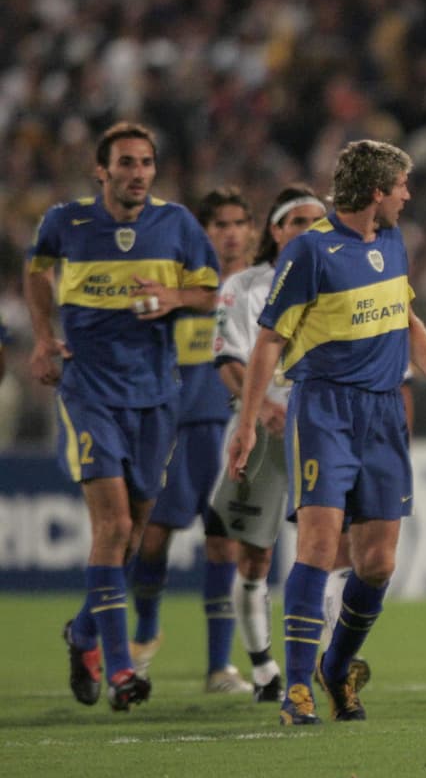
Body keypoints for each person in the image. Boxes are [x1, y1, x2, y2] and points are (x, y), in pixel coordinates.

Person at [227, 140, 426, 725]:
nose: (408, 196)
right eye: (402, 186)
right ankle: (297, 688)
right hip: (325, 411)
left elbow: (405, 314)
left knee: (377, 563)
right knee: (320, 546)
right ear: (378, 191)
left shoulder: (394, 242)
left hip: (384, 414)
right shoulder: (309, 251)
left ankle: (336, 669)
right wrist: (249, 424)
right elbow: (268, 344)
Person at [25, 121, 219, 711]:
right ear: (101, 170)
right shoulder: (67, 221)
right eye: (126, 163)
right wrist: (42, 337)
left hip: (157, 396)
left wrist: (174, 299)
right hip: (89, 392)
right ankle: (120, 671)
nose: (138, 173)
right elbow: (36, 271)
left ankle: (83, 634)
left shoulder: (178, 224)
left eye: (146, 163)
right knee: (111, 530)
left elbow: (210, 290)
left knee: (133, 534)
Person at [128, 186, 255, 695]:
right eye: (218, 223)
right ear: (203, 232)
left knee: (223, 546)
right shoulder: (177, 289)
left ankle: (219, 666)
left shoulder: (258, 288)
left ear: (251, 229)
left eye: (237, 222)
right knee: (152, 538)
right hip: (175, 429)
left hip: (228, 431)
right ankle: (143, 637)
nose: (228, 232)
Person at [210, 184, 329, 702]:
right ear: (276, 231)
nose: (308, 231)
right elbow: (229, 361)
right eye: (297, 222)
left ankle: (320, 663)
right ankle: (263, 671)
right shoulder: (245, 286)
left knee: (324, 551)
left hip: (321, 432)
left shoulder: (338, 280)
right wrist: (262, 411)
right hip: (263, 435)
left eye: (316, 221)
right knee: (254, 559)